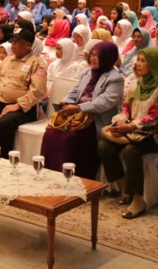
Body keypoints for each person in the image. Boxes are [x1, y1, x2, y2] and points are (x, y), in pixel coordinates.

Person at [98, 47, 158, 218]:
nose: (137, 64)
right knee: (104, 146)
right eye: (137, 60)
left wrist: (130, 126)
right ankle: (124, 187)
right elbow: (125, 108)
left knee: (131, 151)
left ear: (155, 64)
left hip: (153, 135)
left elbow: (155, 116)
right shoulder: (137, 83)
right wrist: (119, 121)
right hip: (132, 131)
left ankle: (138, 200)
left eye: (143, 61)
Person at [42, 41, 123, 180]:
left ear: (107, 57)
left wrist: (79, 107)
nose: (93, 58)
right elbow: (74, 91)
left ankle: (73, 177)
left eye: (98, 56)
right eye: (92, 55)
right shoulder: (87, 72)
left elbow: (104, 102)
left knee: (69, 139)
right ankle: (50, 174)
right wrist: (67, 101)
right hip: (77, 117)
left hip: (95, 120)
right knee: (50, 134)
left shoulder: (115, 79)